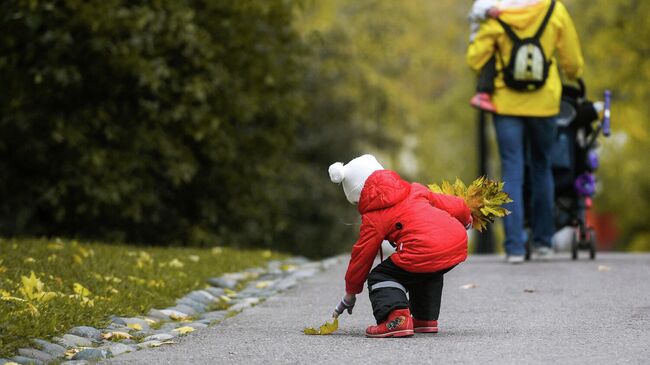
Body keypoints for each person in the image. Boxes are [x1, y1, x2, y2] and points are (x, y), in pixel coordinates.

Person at [466, 0, 584, 263]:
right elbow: (573, 61)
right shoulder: (555, 10)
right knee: (542, 167)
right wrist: (574, 73)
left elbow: (475, 59)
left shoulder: (497, 13)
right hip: (545, 104)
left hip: (506, 105)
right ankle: (543, 243)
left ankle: (514, 247)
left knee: (512, 170)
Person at [328, 154, 472, 337]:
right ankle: (424, 319)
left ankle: (396, 318)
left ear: (360, 194)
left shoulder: (375, 215)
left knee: (381, 276)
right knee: (424, 270)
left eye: (357, 202)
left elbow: (361, 256)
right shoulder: (414, 189)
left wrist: (351, 292)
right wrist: (467, 218)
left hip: (423, 249)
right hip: (456, 241)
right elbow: (455, 205)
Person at [468, 0, 545, 112]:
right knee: (489, 65)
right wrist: (488, 10)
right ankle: (483, 94)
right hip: (483, 42)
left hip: (499, 41)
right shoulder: (488, 4)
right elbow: (477, 8)